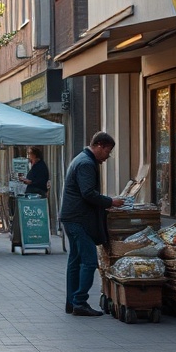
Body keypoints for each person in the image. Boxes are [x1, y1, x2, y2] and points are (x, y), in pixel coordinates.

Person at [59, 131, 125, 317]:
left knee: (75, 261)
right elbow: (88, 193)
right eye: (108, 151)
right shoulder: (86, 163)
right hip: (78, 219)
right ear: (99, 146)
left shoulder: (81, 159)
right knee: (88, 261)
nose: (108, 156)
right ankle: (80, 301)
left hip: (72, 217)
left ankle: (72, 302)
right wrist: (110, 202)